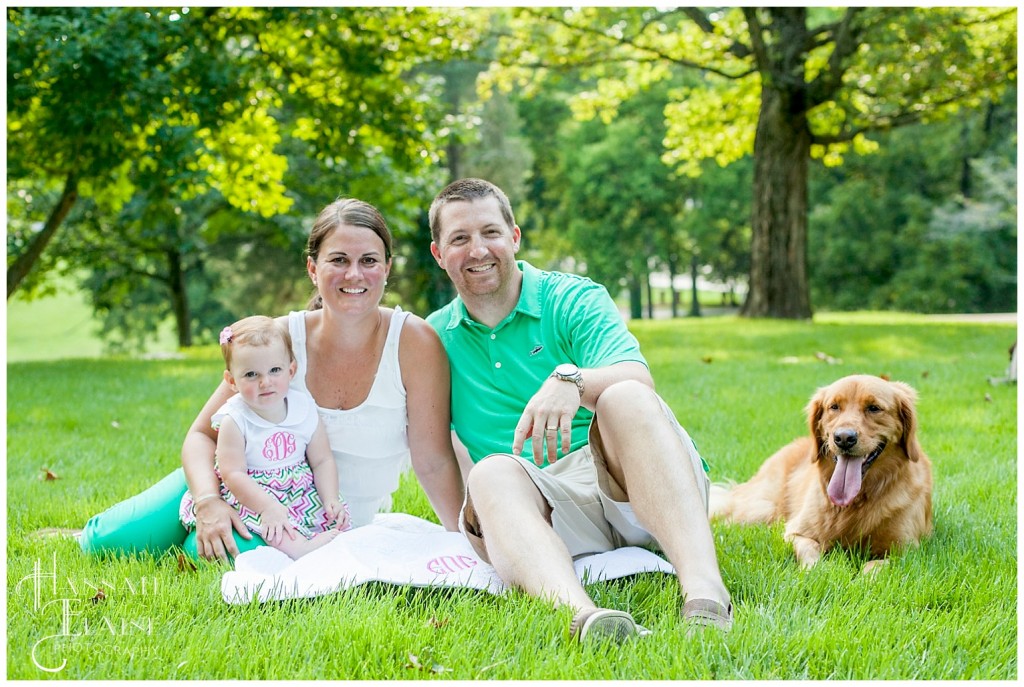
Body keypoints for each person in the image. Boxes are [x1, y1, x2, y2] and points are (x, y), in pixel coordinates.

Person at [425, 178, 733, 643]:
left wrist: (571, 380)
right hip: (544, 511)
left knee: (624, 395)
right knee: (487, 474)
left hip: (637, 486)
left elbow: (639, 376)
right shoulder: (433, 339)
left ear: (514, 236)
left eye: (490, 232)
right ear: (438, 253)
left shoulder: (571, 298)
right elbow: (429, 446)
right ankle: (586, 618)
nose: (478, 250)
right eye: (459, 239)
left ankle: (706, 596)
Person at [80, 198, 464, 560]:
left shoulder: (413, 341)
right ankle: (177, 522)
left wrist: (461, 543)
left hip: (320, 524)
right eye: (338, 260)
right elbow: (201, 435)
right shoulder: (281, 338)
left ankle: (189, 537)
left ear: (387, 267)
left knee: (216, 556)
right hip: (233, 483)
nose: (354, 274)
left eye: (368, 260)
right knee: (104, 543)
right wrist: (208, 501)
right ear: (313, 269)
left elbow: (432, 461)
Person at [179, 315, 351, 560]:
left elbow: (322, 459)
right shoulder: (235, 419)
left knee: (332, 517)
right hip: (253, 492)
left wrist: (331, 496)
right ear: (231, 381)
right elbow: (232, 473)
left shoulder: (303, 407)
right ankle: (301, 550)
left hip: (298, 490)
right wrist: (267, 506)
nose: (265, 382)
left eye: (274, 370)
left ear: (291, 370)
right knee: (274, 526)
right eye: (251, 374)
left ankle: (328, 542)